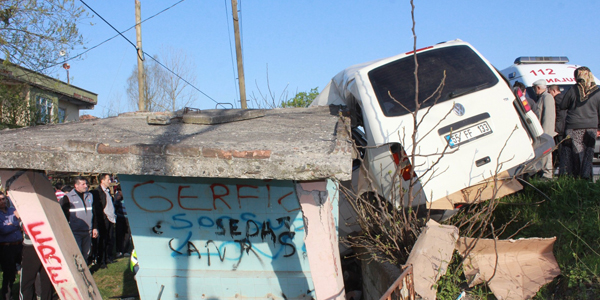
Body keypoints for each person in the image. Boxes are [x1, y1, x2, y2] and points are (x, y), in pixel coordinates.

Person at [558, 66, 600, 179]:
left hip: (573, 127)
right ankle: (586, 179)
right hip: (591, 127)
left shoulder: (573, 90)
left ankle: (574, 179)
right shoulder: (598, 92)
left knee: (575, 155)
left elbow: (563, 105)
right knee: (588, 155)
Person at [60, 176, 97, 262]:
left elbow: (94, 212)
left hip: (88, 231)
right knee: (77, 253)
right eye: (83, 184)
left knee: (86, 252)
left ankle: (85, 270)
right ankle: (78, 272)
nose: (86, 186)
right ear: (76, 185)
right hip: (75, 231)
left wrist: (95, 227)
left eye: (86, 184)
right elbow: (64, 215)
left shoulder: (90, 196)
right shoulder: (68, 198)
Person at [0, 192, 23, 300]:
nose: (3, 201)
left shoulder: (12, 211)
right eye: (0, 200)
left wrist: (13, 225)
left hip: (19, 245)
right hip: (6, 247)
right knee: (8, 273)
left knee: (25, 270)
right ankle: (7, 296)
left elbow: (22, 222)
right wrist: (16, 225)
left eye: (4, 199)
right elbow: (3, 230)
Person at [532, 79, 557, 179]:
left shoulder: (547, 97)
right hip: (542, 132)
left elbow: (548, 116)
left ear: (538, 87)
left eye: (534, 88)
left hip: (546, 131)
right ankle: (544, 173)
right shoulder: (542, 97)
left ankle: (547, 174)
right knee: (544, 153)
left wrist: (545, 133)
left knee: (547, 153)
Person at [19, 230, 54, 300]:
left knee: (27, 281)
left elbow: (26, 227)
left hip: (33, 245)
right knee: (46, 279)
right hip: (47, 243)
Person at [91, 174, 116, 269]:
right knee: (102, 240)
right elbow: (96, 208)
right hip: (103, 219)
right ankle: (101, 261)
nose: (110, 181)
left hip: (110, 218)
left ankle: (108, 257)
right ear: (102, 180)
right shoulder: (97, 192)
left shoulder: (108, 191)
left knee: (109, 238)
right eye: (108, 180)